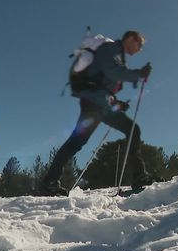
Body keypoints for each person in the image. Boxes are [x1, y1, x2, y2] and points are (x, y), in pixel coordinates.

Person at [41, 30, 155, 196]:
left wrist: (117, 103)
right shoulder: (110, 49)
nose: (140, 49)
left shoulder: (116, 53)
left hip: (100, 103)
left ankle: (139, 176)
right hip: (94, 104)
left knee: (131, 130)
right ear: (130, 39)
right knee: (76, 141)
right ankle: (49, 182)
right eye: (140, 45)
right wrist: (138, 74)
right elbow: (111, 71)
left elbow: (103, 84)